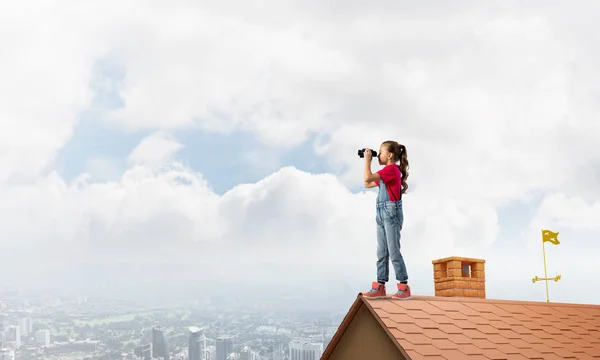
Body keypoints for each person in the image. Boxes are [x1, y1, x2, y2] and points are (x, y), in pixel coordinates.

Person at [362, 141, 411, 300]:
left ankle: (403, 286)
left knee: (393, 250)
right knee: (381, 251)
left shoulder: (391, 170)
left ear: (389, 155)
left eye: (381, 152)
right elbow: (367, 183)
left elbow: (368, 176)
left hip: (391, 213)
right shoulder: (385, 173)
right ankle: (380, 285)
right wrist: (367, 162)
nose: (379, 155)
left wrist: (367, 161)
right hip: (381, 213)